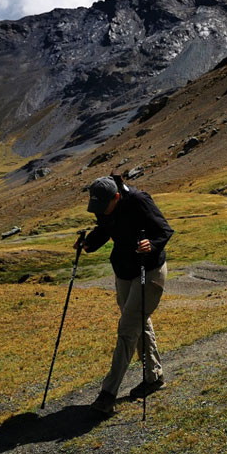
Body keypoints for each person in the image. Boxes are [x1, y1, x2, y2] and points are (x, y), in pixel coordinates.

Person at [75, 174, 173, 416]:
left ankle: (108, 394)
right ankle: (153, 376)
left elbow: (164, 230)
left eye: (103, 207)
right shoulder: (104, 206)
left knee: (128, 329)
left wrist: (150, 243)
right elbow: (105, 229)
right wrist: (88, 244)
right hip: (124, 272)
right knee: (138, 322)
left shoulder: (140, 201)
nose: (101, 212)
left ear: (117, 197)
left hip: (148, 271)